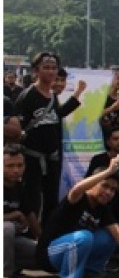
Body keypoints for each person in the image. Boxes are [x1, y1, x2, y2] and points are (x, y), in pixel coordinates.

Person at [36, 157, 119, 278]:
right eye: (105, 186)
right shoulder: (77, 198)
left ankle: (90, 270)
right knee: (84, 236)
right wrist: (109, 170)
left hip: (72, 250)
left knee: (110, 236)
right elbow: (77, 188)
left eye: (113, 190)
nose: (109, 192)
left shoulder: (102, 207)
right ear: (93, 184)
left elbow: (116, 230)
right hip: (50, 254)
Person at [14, 52, 86, 223]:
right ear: (36, 71)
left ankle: (48, 234)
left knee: (51, 198)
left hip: (52, 157)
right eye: (46, 67)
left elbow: (57, 115)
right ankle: (32, 235)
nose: (51, 71)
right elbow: (17, 126)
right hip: (32, 157)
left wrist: (77, 94)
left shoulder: (53, 95)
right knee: (33, 198)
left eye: (54, 68)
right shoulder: (27, 96)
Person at [4, 144, 39, 278]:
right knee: (6, 228)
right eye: (10, 166)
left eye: (19, 165)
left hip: (12, 241)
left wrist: (44, 242)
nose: (16, 170)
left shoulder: (21, 187)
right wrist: (14, 215)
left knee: (43, 256)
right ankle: (6, 277)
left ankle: (12, 267)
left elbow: (31, 216)